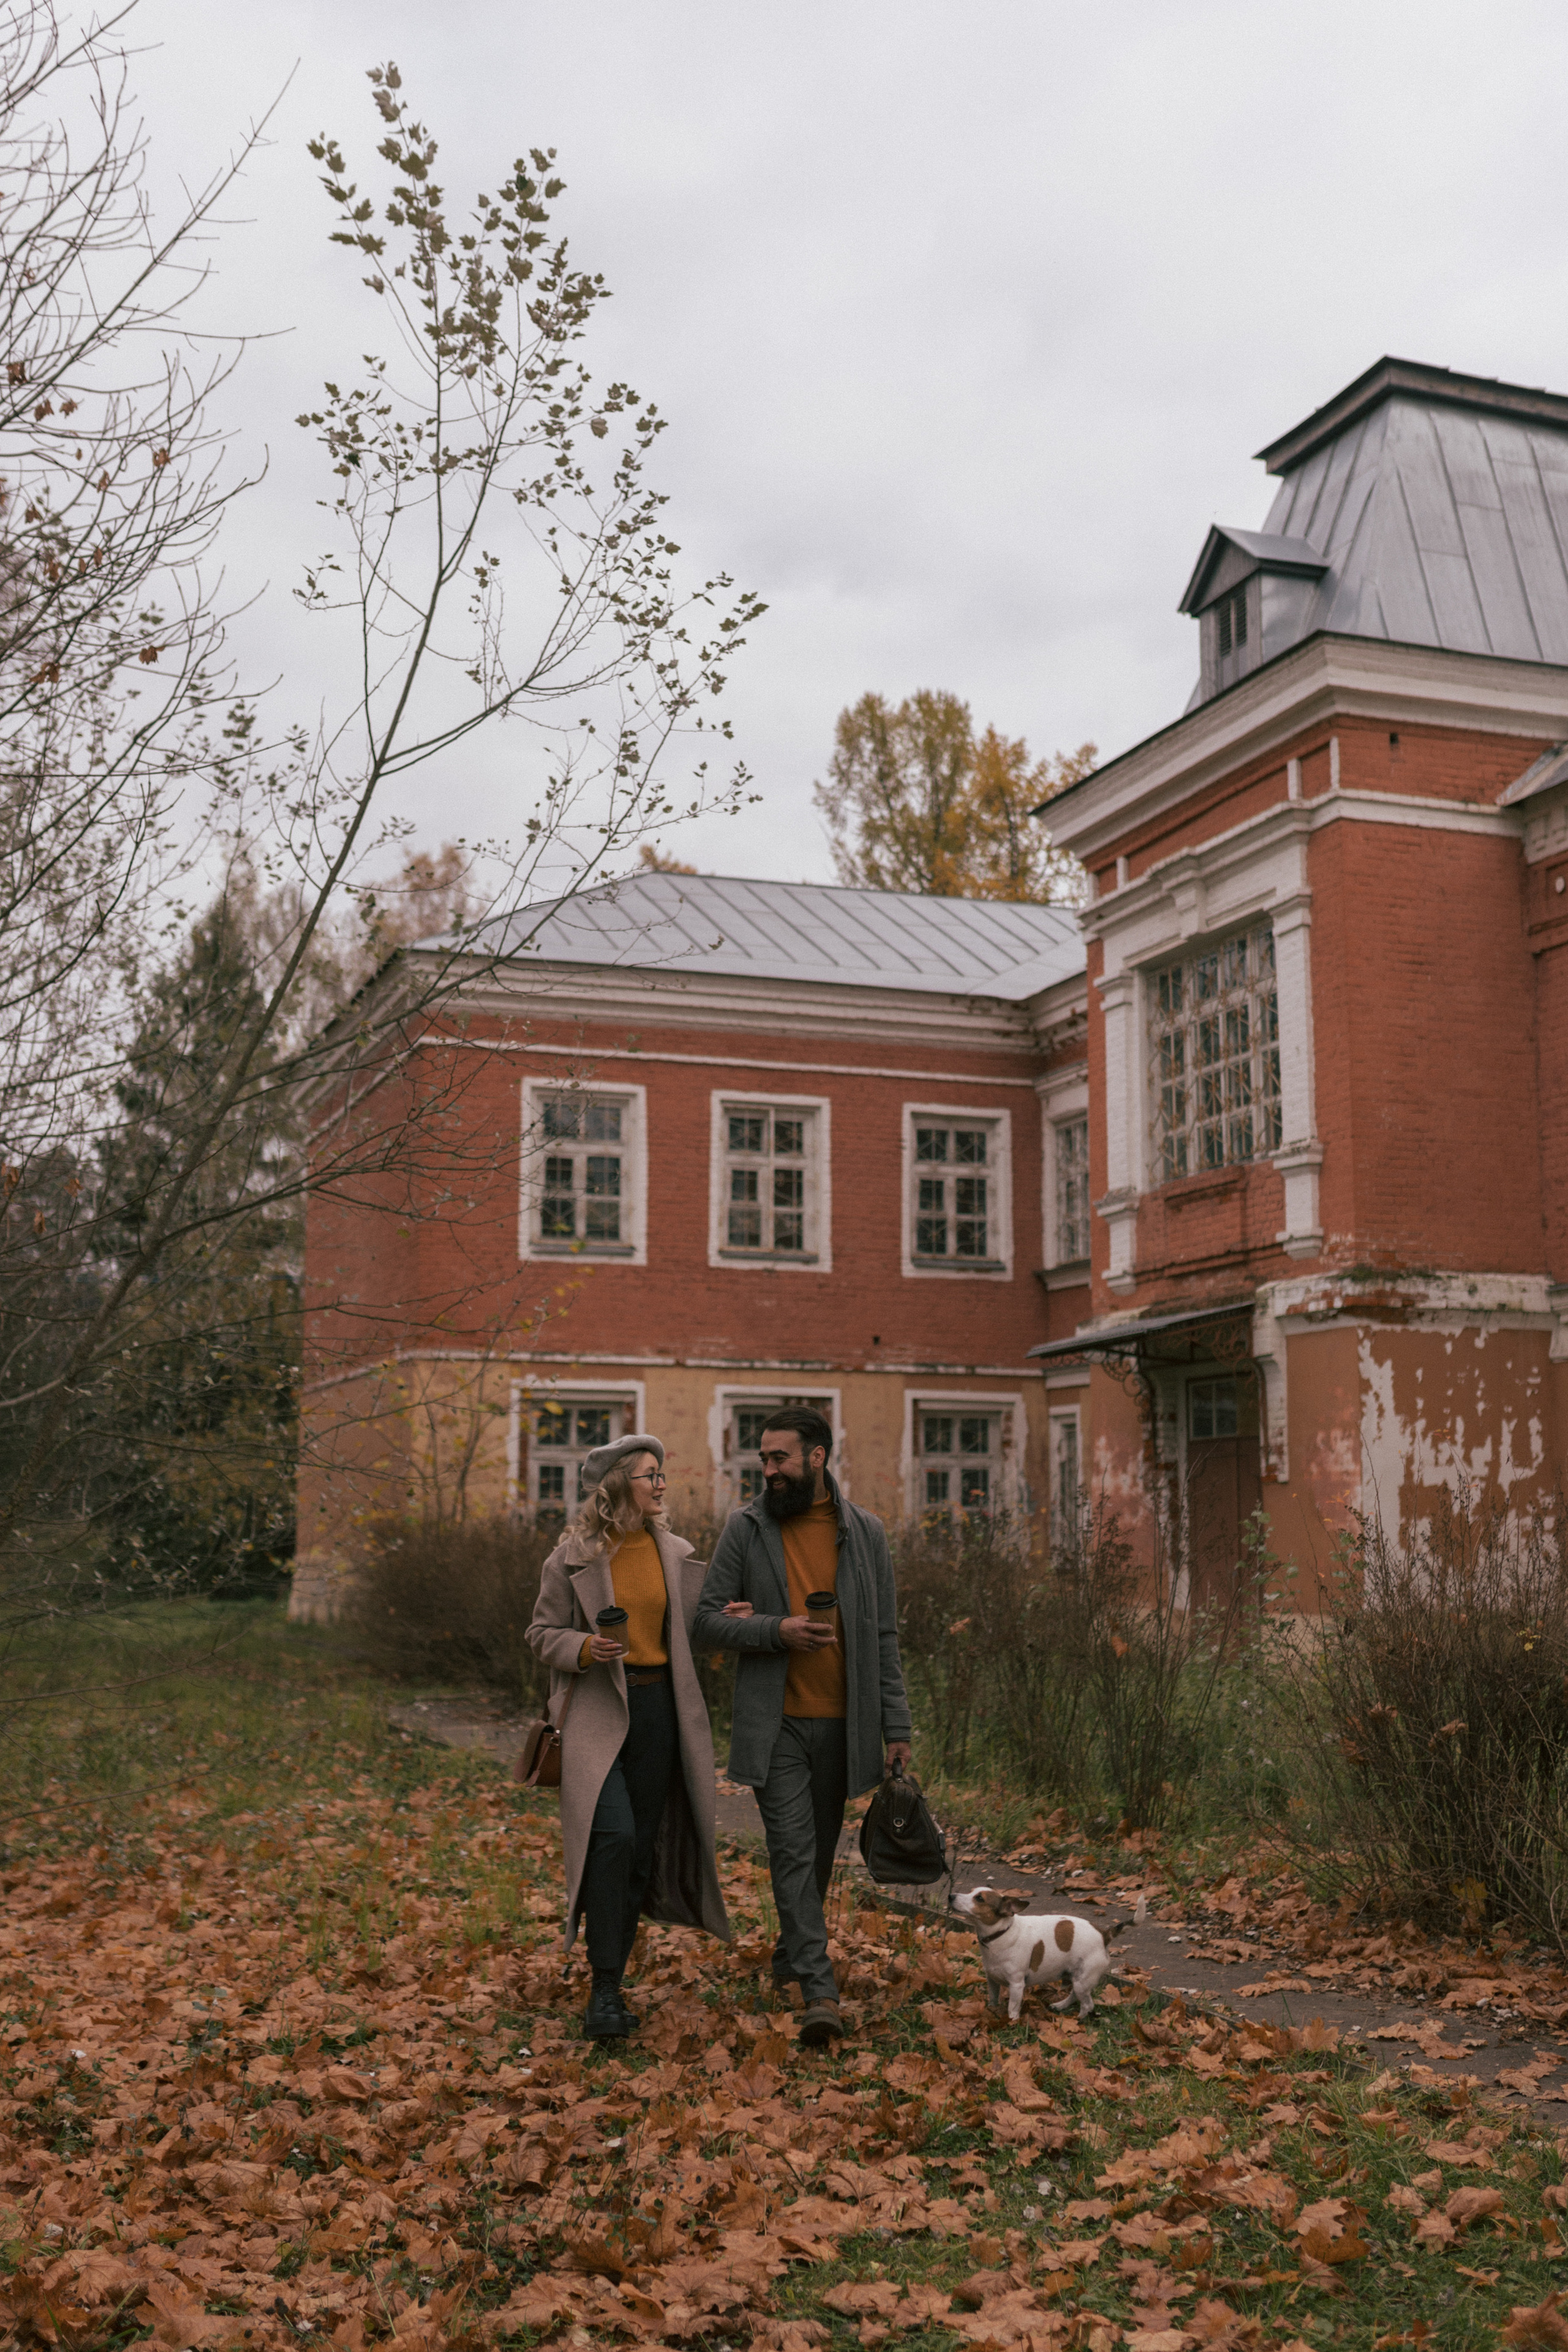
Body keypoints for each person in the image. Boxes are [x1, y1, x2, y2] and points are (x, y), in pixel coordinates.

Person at [694, 1406, 911, 2046]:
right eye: (763, 1459)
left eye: (779, 1458)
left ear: (817, 1458)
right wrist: (773, 1629)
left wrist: (895, 1725)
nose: (769, 1470)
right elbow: (706, 1619)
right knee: (791, 1851)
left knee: (814, 1859)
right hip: (777, 1724)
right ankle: (820, 1993)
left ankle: (792, 1959)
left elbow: (884, 1635)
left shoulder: (865, 1532)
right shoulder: (746, 1528)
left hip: (845, 1727)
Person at [527, 1431, 729, 2040]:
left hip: (662, 1712)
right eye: (650, 1475)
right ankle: (605, 1989)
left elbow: (693, 1631)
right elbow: (539, 1634)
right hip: (597, 1711)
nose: (661, 1485)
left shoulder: (678, 1553)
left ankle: (610, 1982)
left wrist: (726, 1622)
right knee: (610, 1838)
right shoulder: (571, 1558)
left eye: (662, 1475)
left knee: (639, 1847)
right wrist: (584, 1646)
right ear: (617, 1484)